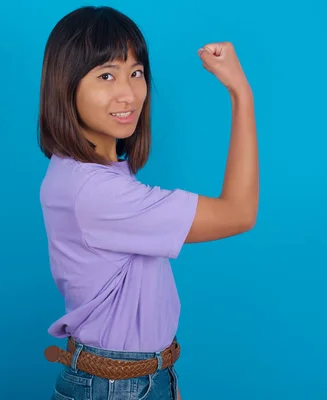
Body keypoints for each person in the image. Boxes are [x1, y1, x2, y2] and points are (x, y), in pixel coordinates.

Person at [37, 5, 258, 400]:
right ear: (65, 86)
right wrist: (241, 93)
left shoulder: (79, 170)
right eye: (106, 75)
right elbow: (239, 214)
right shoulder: (95, 192)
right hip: (116, 387)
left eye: (136, 73)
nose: (129, 93)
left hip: (132, 378)